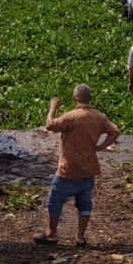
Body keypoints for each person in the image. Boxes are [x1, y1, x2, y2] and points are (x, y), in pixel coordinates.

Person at [36, 84, 119, 247]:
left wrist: (52, 108)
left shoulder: (71, 117)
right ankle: (80, 237)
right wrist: (100, 147)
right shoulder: (99, 117)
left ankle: (52, 234)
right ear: (90, 99)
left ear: (75, 100)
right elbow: (115, 132)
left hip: (68, 170)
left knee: (54, 200)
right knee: (85, 203)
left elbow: (50, 125)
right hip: (88, 169)